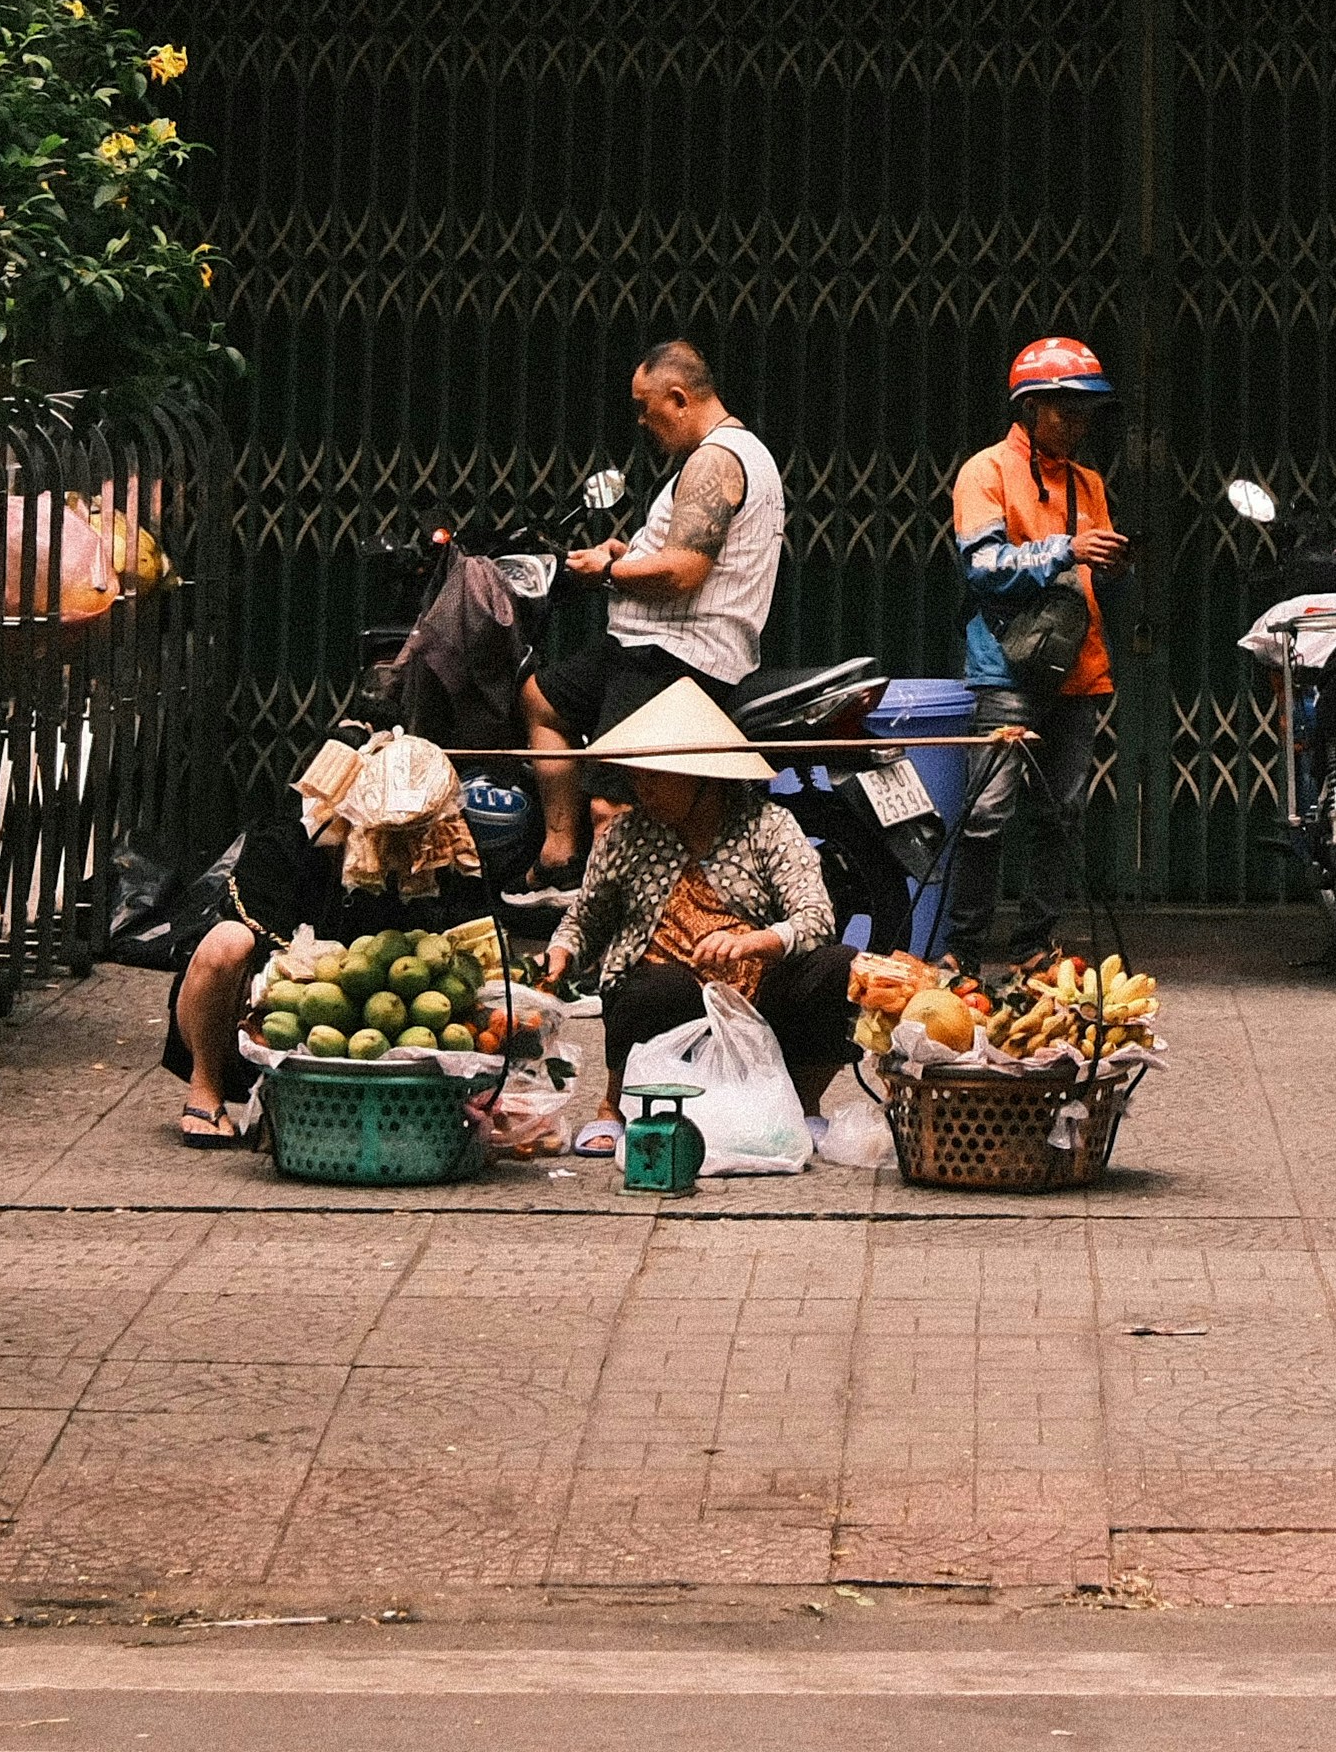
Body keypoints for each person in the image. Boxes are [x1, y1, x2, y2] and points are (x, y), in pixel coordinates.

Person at [170, 551, 563, 1146]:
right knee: (226, 943)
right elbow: (280, 966)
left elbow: (472, 949)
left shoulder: (447, 842)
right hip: (277, 1005)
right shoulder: (297, 832)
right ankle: (204, 1089)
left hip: (396, 1021)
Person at [546, 676, 855, 1119]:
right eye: (637, 779)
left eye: (656, 778)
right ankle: (613, 1107)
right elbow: (585, 920)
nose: (642, 792)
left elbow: (814, 918)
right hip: (666, 998)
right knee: (658, 985)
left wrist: (757, 942)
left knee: (836, 964)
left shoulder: (768, 826)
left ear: (701, 777)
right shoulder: (625, 836)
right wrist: (560, 953)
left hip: (756, 1000)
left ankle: (803, 1107)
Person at [947, 335, 1128, 971]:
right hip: (1005, 671)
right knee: (987, 813)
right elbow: (983, 565)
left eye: (1085, 412)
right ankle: (961, 951)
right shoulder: (985, 471)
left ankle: (1034, 947)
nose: (1079, 424)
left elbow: (1088, 577)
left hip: (1076, 671)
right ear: (1031, 408)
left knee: (1061, 816)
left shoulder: (1089, 483)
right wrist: (1066, 551)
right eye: (1066, 410)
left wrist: (1105, 563)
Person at [570, 337, 788, 712]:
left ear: (679, 399)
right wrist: (633, 555)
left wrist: (607, 570)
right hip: (689, 650)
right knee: (541, 699)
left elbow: (682, 572)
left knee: (612, 770)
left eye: (644, 407)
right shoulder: (747, 452)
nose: (641, 420)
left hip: (674, 654)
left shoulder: (714, 460)